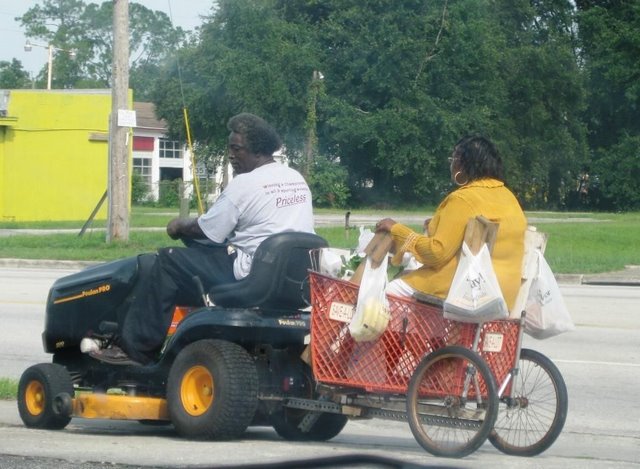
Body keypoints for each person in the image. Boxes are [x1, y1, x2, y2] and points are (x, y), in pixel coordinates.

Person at [90, 113, 314, 365]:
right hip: (292, 280)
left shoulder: (245, 184)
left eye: (236, 149)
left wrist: (178, 226)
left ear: (258, 151)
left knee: (167, 261)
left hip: (252, 274)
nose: (231, 155)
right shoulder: (295, 179)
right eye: (229, 148)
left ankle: (135, 350)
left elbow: (207, 230)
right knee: (201, 262)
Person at [375, 135, 527, 310]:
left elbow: (436, 253)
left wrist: (396, 229)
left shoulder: (462, 198)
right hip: (504, 293)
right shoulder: (508, 196)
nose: (451, 163)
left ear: (462, 163)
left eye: (453, 158)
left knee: (391, 291)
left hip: (467, 290)